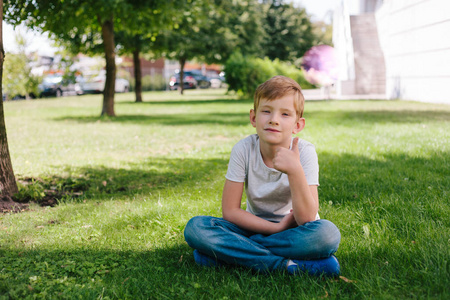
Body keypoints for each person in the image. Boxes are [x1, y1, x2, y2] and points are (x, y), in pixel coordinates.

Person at [184, 76, 341, 276]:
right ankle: (286, 266)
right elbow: (230, 211)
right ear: (253, 118)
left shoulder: (305, 152)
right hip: (252, 227)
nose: (274, 119)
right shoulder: (243, 149)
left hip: (296, 233)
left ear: (297, 125)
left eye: (285, 114)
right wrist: (273, 229)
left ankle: (232, 253)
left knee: (328, 235)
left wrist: (295, 170)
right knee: (196, 227)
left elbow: (307, 218)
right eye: (266, 111)